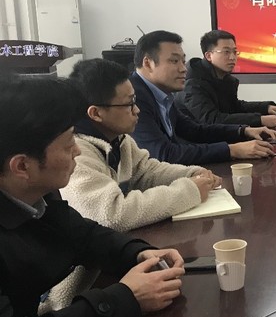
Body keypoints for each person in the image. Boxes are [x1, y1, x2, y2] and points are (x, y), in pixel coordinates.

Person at [0, 75, 185, 317]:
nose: (77, 151)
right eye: (69, 142)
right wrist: (127, 298)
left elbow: (83, 235)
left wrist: (138, 252)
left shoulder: (37, 192)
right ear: (22, 165)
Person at [62, 58, 222, 232]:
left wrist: (191, 173)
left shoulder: (119, 140)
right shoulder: (75, 154)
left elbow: (147, 171)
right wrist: (189, 190)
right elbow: (113, 214)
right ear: (96, 113)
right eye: (129, 104)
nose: (137, 110)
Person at [131, 30, 276, 165]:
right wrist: (232, 150)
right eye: (174, 61)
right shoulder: (133, 98)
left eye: (183, 61)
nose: (183, 69)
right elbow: (163, 154)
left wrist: (243, 131)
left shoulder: (162, 95)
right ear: (148, 63)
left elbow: (194, 130)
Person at [177, 29, 276, 128]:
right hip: (197, 142)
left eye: (235, 52)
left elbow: (234, 106)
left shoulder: (225, 78)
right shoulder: (192, 83)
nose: (232, 57)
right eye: (226, 52)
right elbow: (211, 119)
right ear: (209, 56)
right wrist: (259, 120)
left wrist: (265, 108)